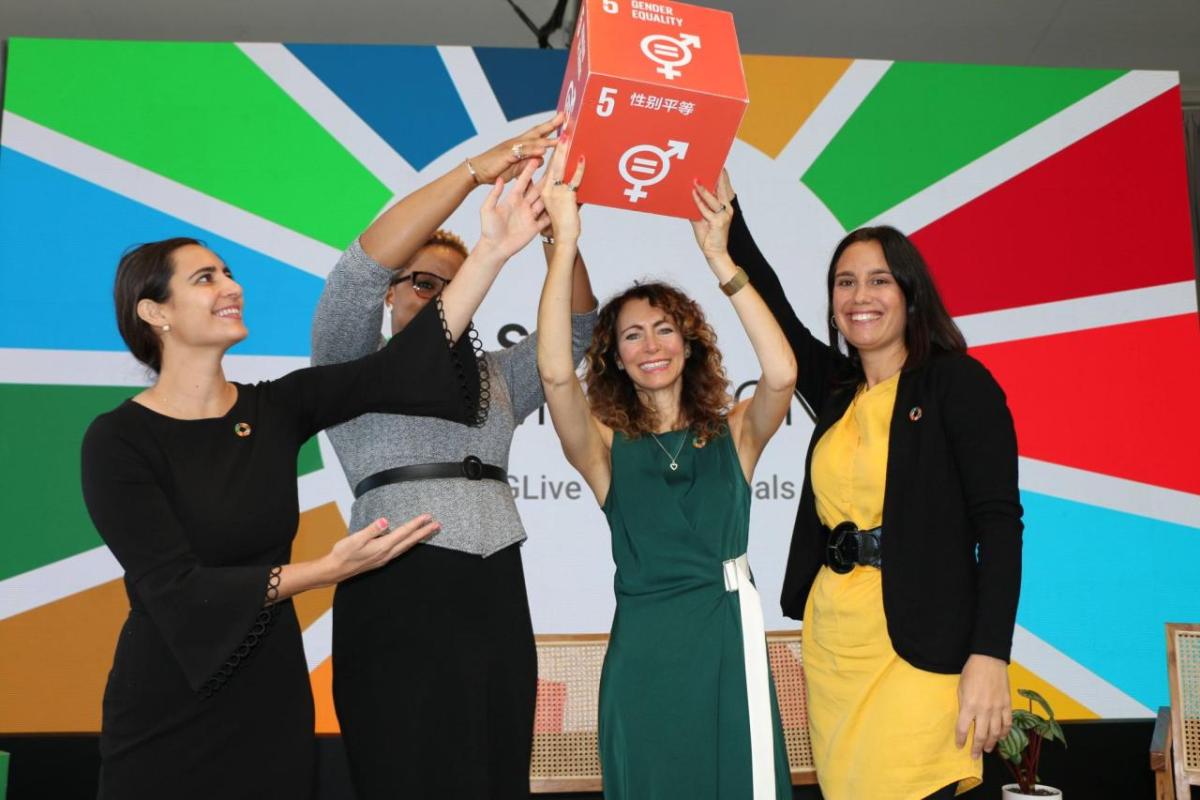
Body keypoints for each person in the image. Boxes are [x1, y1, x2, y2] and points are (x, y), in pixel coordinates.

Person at [78, 167, 546, 799]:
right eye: (205, 277)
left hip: (271, 692)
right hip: (169, 694)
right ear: (153, 311)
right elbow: (176, 591)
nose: (231, 286)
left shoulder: (277, 408)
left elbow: (403, 367)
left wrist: (492, 248)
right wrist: (324, 571)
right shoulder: (118, 440)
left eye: (229, 272)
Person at [310, 117, 598, 799]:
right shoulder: (350, 361)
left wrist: (562, 233)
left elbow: (581, 329)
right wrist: (474, 171)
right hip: (394, 576)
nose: (432, 292)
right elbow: (357, 272)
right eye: (418, 280)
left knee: (495, 763)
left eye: (451, 282)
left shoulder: (498, 375)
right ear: (391, 293)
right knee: (402, 761)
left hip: (493, 582)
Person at [725, 178, 1023, 799]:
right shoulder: (838, 389)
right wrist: (727, 221)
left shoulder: (957, 383)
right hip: (837, 642)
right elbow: (774, 306)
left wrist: (989, 655)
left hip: (923, 646)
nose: (860, 296)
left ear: (911, 294)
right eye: (845, 282)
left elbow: (998, 525)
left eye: (879, 279)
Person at [536, 151, 797, 799]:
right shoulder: (603, 448)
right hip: (645, 660)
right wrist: (563, 243)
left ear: (689, 343)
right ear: (616, 358)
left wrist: (721, 261)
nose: (651, 345)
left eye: (664, 329)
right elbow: (554, 376)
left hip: (726, 647)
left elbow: (784, 375)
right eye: (631, 336)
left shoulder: (736, 433)